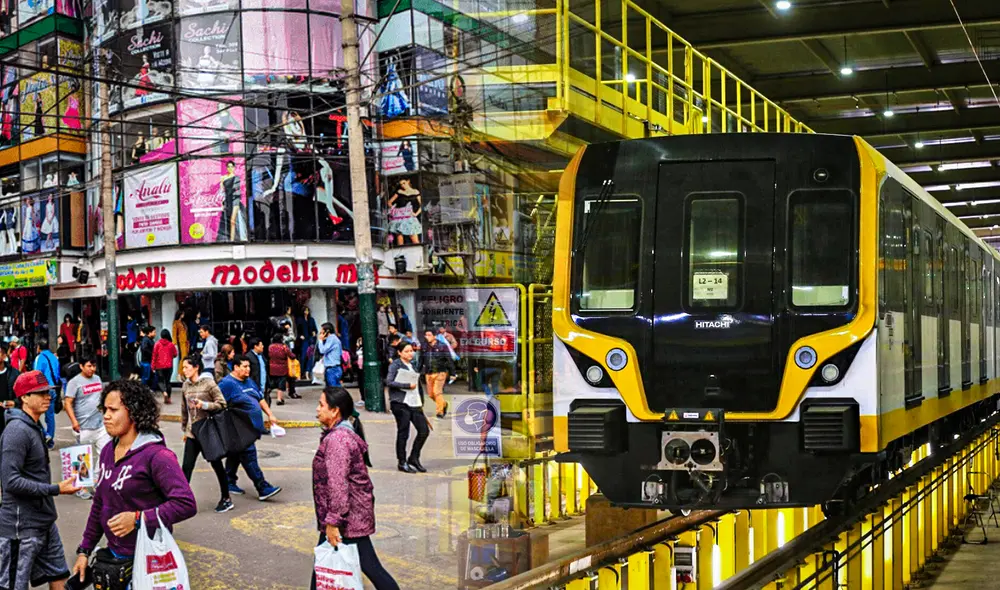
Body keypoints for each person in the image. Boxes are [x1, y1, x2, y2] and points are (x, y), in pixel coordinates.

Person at [71, 380, 197, 585]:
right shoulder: (107, 452)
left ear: (134, 412)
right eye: (104, 409)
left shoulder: (158, 456)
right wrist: (84, 550)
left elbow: (186, 504)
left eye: (113, 410)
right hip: (114, 559)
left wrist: (139, 519)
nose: (106, 416)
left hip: (150, 561)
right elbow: (99, 504)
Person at [311, 387, 399, 590]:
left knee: (370, 568)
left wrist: (333, 522)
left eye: (321, 404)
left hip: (346, 518)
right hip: (348, 516)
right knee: (324, 568)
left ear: (335, 411)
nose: (317, 409)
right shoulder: (339, 434)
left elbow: (338, 484)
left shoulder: (337, 440)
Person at [0, 371, 80, 590]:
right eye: (41, 393)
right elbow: (10, 481)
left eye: (49, 392)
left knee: (59, 577)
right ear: (24, 398)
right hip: (20, 527)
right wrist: (55, 489)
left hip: (44, 521)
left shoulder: (34, 426)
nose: (48, 397)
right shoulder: (16, 431)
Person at [219, 355, 282, 501]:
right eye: (245, 366)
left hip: (251, 428)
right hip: (238, 428)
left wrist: (270, 414)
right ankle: (262, 487)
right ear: (235, 368)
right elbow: (218, 404)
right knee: (249, 455)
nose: (248, 369)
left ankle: (229, 481)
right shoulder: (227, 384)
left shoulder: (249, 382)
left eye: (249, 366)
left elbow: (259, 399)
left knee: (235, 454)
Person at [179, 355, 232, 513]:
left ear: (196, 367)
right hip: (192, 432)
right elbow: (184, 410)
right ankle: (180, 500)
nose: (184, 370)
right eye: (183, 368)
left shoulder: (208, 384)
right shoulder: (185, 386)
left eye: (187, 367)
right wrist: (184, 428)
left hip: (207, 431)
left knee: (216, 464)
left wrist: (205, 405)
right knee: (186, 467)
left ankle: (226, 498)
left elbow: (222, 403)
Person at [64, 356, 108, 500]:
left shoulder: (97, 379)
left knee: (105, 454)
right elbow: (68, 403)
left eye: (94, 366)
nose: (92, 369)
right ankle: (80, 486)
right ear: (82, 366)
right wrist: (74, 421)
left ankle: (96, 482)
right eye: (89, 366)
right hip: (83, 427)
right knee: (81, 457)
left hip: (100, 425)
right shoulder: (74, 383)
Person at [386, 342, 429, 474]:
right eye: (406, 351)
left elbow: (418, 384)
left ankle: (414, 458)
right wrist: (406, 385)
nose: (410, 353)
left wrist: (421, 401)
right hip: (401, 403)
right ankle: (402, 461)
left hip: (415, 402)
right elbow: (389, 381)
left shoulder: (413, 366)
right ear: (399, 353)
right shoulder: (395, 365)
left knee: (424, 431)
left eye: (411, 351)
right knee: (403, 432)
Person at [32, 337, 59, 449]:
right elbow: (57, 374)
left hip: (43, 390)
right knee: (50, 416)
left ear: (38, 347)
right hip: (53, 388)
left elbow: (37, 374)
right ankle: (50, 441)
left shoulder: (39, 358)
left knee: (33, 413)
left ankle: (45, 434)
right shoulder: (54, 357)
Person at [422, 329, 454, 418]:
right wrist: (417, 370)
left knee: (437, 392)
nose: (427, 337)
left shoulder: (442, 346)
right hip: (428, 372)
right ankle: (443, 404)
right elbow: (422, 359)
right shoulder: (424, 346)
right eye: (426, 335)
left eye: (429, 335)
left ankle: (439, 412)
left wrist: (452, 373)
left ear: (434, 336)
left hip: (440, 372)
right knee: (431, 394)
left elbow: (449, 360)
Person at [152, 329, 178, 404]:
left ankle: (164, 392)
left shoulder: (157, 344)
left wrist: (153, 366)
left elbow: (154, 356)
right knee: (168, 382)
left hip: (159, 366)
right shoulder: (171, 344)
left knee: (160, 381)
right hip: (169, 366)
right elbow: (175, 354)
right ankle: (168, 398)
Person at [267, 335, 294, 406]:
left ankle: (267, 391)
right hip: (282, 368)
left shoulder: (270, 347)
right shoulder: (284, 347)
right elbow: (292, 356)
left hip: (272, 367)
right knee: (281, 384)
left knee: (272, 382)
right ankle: (279, 399)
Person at [0, 347, 19, 440]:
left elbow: (23, 396)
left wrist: (14, 402)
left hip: (9, 416)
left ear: (4, 356)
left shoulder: (14, 374)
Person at [318, 322, 343, 388]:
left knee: (333, 390)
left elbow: (322, 350)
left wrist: (320, 341)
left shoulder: (332, 339)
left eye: (322, 330)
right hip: (335, 367)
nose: (320, 332)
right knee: (335, 389)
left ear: (327, 331)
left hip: (332, 368)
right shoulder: (334, 339)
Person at [297, 307, 318, 375]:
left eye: (307, 310)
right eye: (305, 310)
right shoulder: (300, 320)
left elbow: (315, 329)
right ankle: (302, 372)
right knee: (303, 356)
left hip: (310, 339)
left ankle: (308, 372)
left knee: (310, 356)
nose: (306, 312)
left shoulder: (311, 320)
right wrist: (300, 335)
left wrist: (314, 332)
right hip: (304, 340)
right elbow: (297, 330)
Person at [138, 325, 156, 390]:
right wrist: (152, 354)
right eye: (154, 332)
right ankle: (143, 390)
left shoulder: (149, 340)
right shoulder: (146, 339)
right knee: (146, 377)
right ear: (149, 332)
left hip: (149, 361)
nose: (155, 334)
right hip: (146, 362)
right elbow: (144, 348)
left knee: (149, 377)